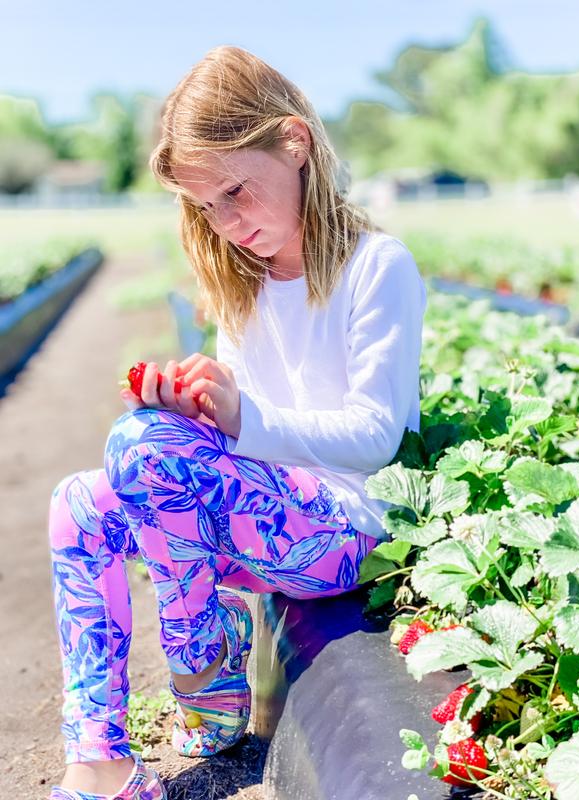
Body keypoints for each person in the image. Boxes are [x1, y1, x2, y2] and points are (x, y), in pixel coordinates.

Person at [47, 44, 427, 799]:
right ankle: (101, 763)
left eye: (236, 192)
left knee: (141, 448)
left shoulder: (376, 268)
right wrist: (196, 412)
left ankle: (203, 672)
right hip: (268, 519)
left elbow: (376, 435)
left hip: (349, 529)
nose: (226, 222)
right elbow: (239, 444)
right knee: (79, 505)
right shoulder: (244, 284)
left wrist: (240, 417)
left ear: (295, 143)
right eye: (207, 206)